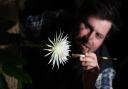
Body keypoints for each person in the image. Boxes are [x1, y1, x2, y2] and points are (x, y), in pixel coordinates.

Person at [70, 0, 121, 89]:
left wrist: (89, 86)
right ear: (79, 17)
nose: (89, 38)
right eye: (87, 26)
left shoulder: (105, 70)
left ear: (104, 38)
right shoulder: (55, 20)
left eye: (98, 35)